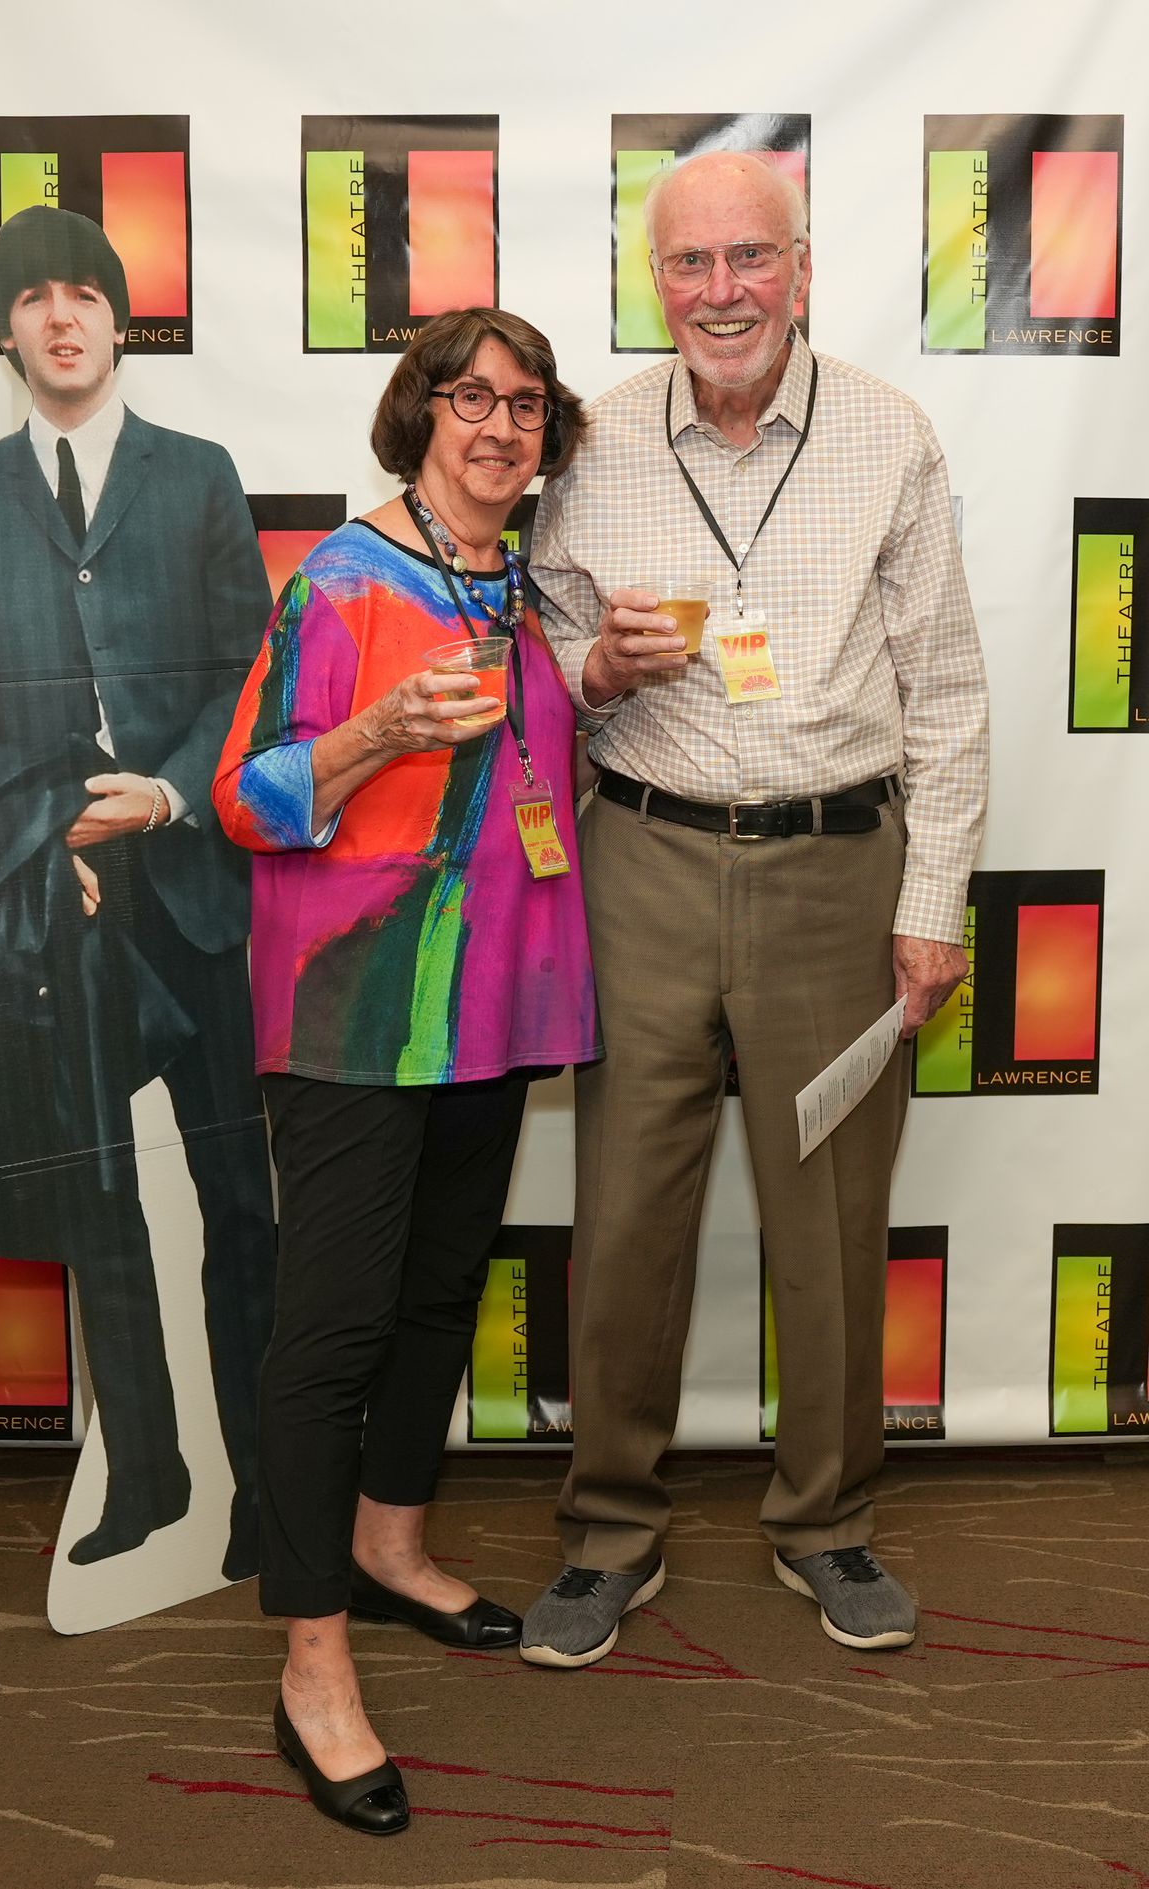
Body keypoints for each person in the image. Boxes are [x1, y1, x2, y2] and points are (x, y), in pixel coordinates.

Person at [523, 150, 988, 1668]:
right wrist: (600, 670)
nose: (720, 292)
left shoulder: (888, 435)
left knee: (834, 1224)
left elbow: (950, 694)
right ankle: (608, 1531)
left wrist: (930, 900)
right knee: (630, 1214)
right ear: (651, 281)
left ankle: (830, 1522)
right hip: (643, 864)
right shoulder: (583, 443)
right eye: (688, 266)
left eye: (749, 259)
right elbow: (541, 652)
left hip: (836, 872)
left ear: (800, 267)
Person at [215, 309, 599, 1833]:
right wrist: (376, 729)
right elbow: (245, 793)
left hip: (492, 1004)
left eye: (526, 404)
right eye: (470, 398)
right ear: (419, 412)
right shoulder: (342, 577)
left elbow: (531, 766)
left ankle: (390, 1542)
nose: (500, 426)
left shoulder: (523, 581)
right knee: (335, 1322)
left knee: (442, 1288)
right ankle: (312, 1658)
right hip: (357, 1010)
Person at [0, 207, 278, 1577]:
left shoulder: (197, 476)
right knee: (102, 1196)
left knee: (242, 1197)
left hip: (191, 885)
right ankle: (154, 1474)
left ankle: (266, 1487)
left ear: (122, 320)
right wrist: (41, 825)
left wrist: (170, 793)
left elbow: (254, 670)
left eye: (85, 295)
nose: (63, 317)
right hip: (56, 897)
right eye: (34, 298)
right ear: (6, 329)